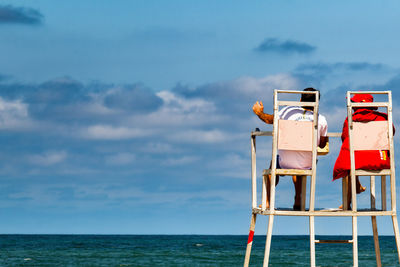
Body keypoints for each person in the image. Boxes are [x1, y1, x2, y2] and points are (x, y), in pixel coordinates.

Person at [252, 88, 328, 210]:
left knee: (274, 163)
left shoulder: (288, 111)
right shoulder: (321, 119)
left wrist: (259, 113)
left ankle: (267, 200)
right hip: (307, 163)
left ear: (300, 100)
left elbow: (268, 120)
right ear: (317, 103)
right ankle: (298, 199)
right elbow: (322, 145)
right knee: (300, 162)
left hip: (284, 161)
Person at [333, 93, 393, 210]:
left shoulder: (350, 120)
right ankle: (356, 186)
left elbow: (345, 137)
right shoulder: (384, 119)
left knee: (349, 163)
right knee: (352, 161)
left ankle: (347, 202)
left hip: (358, 160)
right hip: (381, 160)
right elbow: (391, 135)